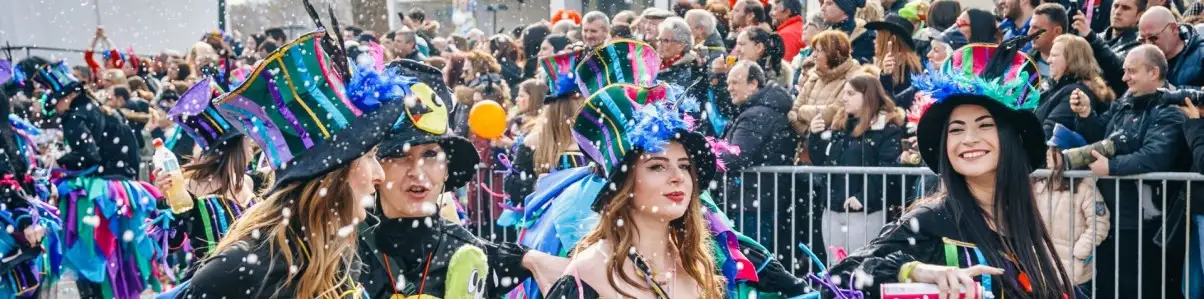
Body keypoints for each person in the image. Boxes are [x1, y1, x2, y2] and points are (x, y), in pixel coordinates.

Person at [823, 40, 1075, 299]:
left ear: (1011, 139)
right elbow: (838, 280)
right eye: (956, 129)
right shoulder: (930, 221)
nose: (968, 139)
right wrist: (915, 271)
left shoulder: (1019, 220)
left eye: (984, 125)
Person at [174, 31, 393, 298]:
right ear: (328, 175)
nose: (380, 174)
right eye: (368, 156)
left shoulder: (334, 252)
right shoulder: (237, 272)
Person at [356, 60, 568, 298]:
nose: (418, 171)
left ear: (446, 168)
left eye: (430, 154)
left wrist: (529, 260)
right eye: (399, 155)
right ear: (376, 166)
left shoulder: (466, 254)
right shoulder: (341, 251)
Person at [541, 87, 727, 299]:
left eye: (684, 166)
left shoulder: (695, 264)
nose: (679, 177)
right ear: (625, 185)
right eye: (657, 166)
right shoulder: (590, 271)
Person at [32, 61, 166, 299]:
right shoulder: (103, 109)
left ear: (70, 95)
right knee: (121, 258)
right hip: (126, 192)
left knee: (91, 256)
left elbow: (88, 156)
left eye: (58, 99)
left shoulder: (75, 115)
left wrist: (58, 162)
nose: (58, 106)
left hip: (100, 194)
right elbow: (130, 152)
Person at [1067, 44, 1190, 299]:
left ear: (1153, 72)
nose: (1124, 78)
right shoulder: (1126, 101)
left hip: (1145, 222)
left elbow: (1155, 157)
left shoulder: (1170, 109)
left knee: (1139, 288)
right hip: (1114, 216)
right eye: (1124, 71)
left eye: (1131, 71)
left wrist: (1110, 167)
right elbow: (1103, 135)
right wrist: (1087, 114)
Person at [151, 77, 256, 266]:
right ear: (235, 148)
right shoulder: (188, 188)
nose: (252, 145)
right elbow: (168, 244)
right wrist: (167, 201)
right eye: (247, 139)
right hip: (212, 284)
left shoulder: (251, 181)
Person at [808, 75, 903, 264]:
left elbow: (888, 169)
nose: (844, 98)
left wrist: (864, 196)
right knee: (835, 267)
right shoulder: (841, 126)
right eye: (844, 93)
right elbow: (822, 161)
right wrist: (815, 136)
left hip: (866, 213)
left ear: (868, 96)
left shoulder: (886, 129)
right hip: (833, 209)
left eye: (850, 93)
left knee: (862, 268)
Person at [721, 61, 801, 258]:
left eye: (735, 83)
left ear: (753, 84)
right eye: (728, 83)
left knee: (752, 260)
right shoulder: (763, 110)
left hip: (753, 201)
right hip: (758, 199)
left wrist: (710, 155)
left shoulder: (757, 115)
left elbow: (737, 155)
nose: (729, 88)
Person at [1039, 125, 1111, 291]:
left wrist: (1079, 253)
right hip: (1043, 267)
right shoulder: (1040, 183)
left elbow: (1099, 224)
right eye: (1049, 149)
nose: (1048, 154)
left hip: (1073, 273)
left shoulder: (1086, 187)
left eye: (1054, 150)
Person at [790, 30, 867, 140]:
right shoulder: (815, 75)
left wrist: (802, 111)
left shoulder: (854, 77)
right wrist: (808, 131)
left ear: (832, 53)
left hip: (834, 146)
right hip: (806, 146)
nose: (814, 55)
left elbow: (832, 114)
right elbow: (793, 112)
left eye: (818, 51)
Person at [1037, 34, 1116, 138]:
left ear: (1072, 60)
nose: (1049, 60)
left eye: (1054, 55)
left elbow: (1049, 131)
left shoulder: (1075, 92)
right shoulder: (1056, 86)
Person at [869, 14, 924, 107]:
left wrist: (886, 76)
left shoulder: (909, 69)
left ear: (892, 40)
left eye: (879, 37)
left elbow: (891, 105)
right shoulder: (881, 62)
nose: (875, 41)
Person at [657, 17, 705, 88]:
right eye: (659, 39)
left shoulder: (690, 71)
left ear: (681, 45)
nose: (660, 44)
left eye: (666, 41)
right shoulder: (653, 64)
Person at [1029, 3, 1069, 80]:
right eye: (1030, 27)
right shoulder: (1025, 63)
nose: (1029, 33)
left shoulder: (1077, 68)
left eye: (1035, 27)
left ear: (1057, 31)